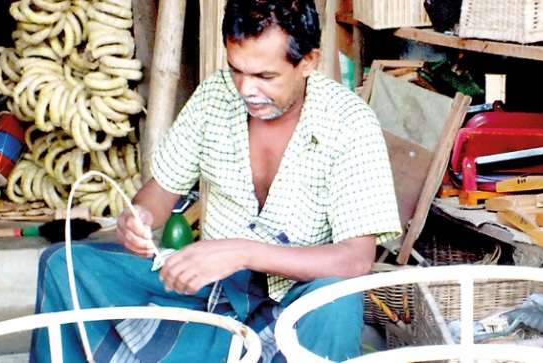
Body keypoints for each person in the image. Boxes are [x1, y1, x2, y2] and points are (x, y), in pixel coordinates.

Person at [30, 0, 402, 361]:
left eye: (265, 76)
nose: (246, 89)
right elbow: (160, 192)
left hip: (294, 300)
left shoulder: (350, 122)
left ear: (308, 62)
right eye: (237, 69)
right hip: (213, 292)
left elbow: (356, 259)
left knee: (335, 301)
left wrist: (241, 252)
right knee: (63, 266)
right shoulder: (215, 95)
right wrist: (140, 216)